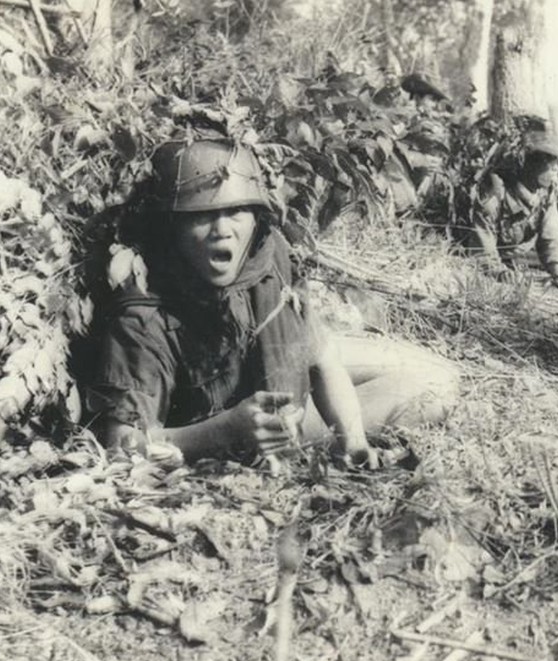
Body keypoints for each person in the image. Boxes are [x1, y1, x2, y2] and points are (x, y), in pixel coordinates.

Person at [83, 137, 459, 467]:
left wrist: (354, 441)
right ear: (171, 227)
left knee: (439, 369)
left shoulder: (265, 254)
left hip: (276, 380)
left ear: (256, 216)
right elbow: (122, 447)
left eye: (235, 211)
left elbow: (321, 360)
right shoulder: (144, 316)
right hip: (242, 420)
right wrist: (222, 432)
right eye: (202, 216)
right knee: (433, 391)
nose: (222, 231)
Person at [461, 131, 558, 288]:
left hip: (517, 254)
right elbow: (481, 252)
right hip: (484, 249)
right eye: (548, 162)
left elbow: (552, 236)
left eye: (557, 163)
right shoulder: (494, 197)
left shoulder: (545, 194)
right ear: (529, 164)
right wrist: (499, 272)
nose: (556, 169)